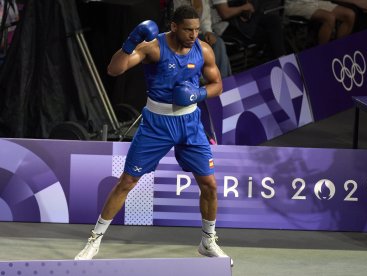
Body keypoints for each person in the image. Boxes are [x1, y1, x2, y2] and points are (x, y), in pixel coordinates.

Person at [74, 5, 232, 264]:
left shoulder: (203, 49)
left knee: (210, 185)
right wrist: (130, 43)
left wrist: (198, 94)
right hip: (156, 125)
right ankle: (94, 241)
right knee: (127, 182)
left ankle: (208, 241)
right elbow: (114, 70)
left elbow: (218, 84)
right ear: (173, 27)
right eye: (188, 30)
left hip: (190, 124)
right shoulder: (154, 48)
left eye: (196, 29)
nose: (194, 34)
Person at [174, 0, 232, 77]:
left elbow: (205, 20)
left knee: (218, 42)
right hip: (184, 35)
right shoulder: (177, 2)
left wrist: (208, 32)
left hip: (200, 33)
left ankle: (224, 81)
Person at [211, 0, 286, 60]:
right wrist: (243, 8)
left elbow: (249, 8)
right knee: (271, 34)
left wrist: (247, 9)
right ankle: (279, 62)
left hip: (241, 22)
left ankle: (279, 60)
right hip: (226, 28)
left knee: (273, 21)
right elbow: (224, 13)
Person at [284, 0, 356, 45]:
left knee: (349, 15)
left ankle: (338, 49)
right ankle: (322, 53)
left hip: (317, 2)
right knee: (329, 18)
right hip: (298, 4)